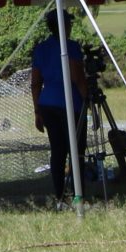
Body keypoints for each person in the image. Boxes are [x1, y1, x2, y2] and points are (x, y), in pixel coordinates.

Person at [28, 10, 89, 200]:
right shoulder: (70, 46)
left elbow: (36, 82)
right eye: (69, 24)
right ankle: (79, 194)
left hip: (47, 103)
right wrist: (88, 98)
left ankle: (59, 194)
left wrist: (37, 110)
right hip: (70, 103)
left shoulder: (41, 48)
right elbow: (77, 77)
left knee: (58, 150)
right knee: (76, 151)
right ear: (64, 26)